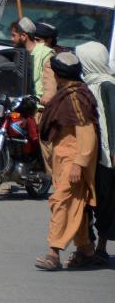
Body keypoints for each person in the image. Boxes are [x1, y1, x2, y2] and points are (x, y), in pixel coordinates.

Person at [35, 53, 100, 270]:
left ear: (58, 74)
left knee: (61, 201)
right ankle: (86, 250)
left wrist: (79, 163)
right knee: (75, 205)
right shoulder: (67, 93)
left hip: (73, 160)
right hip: (62, 159)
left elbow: (87, 133)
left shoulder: (76, 97)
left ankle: (53, 253)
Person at [77, 42, 115, 265]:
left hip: (106, 157)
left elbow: (112, 120)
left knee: (105, 202)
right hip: (89, 153)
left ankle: (101, 246)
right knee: (88, 202)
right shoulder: (86, 85)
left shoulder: (108, 86)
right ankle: (87, 245)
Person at [33, 22, 59, 105]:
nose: (34, 44)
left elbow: (51, 83)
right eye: (33, 40)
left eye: (37, 40)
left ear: (49, 40)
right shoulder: (29, 52)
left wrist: (46, 98)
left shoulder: (51, 56)